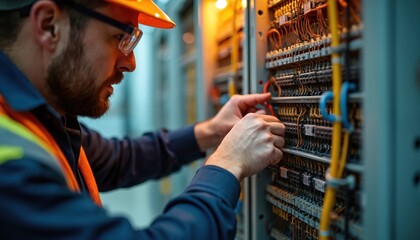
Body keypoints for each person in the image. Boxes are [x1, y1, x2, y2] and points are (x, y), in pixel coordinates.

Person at [0, 0, 285, 239]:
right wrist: (227, 165)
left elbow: (116, 159)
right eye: (120, 37)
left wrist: (211, 131)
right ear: (49, 25)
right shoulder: (12, 171)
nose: (131, 63)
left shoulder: (34, 119)